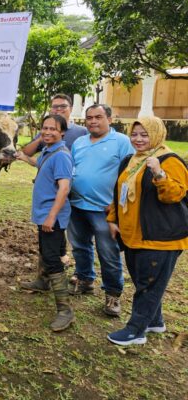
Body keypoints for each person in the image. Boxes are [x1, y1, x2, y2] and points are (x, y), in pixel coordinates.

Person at [106, 117, 188, 346]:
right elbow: (119, 192)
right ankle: (155, 321)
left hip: (160, 238)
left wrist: (159, 174)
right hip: (133, 235)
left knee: (148, 285)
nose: (138, 139)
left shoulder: (170, 160)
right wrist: (113, 219)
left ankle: (136, 330)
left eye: (144, 134)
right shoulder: (131, 160)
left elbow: (175, 195)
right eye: (135, 134)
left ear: (157, 134)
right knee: (146, 282)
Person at [67, 104, 134, 317]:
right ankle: (85, 279)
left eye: (98, 117)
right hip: (76, 205)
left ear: (110, 119)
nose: (93, 121)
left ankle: (113, 294)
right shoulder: (79, 142)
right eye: (89, 118)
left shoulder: (122, 142)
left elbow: (131, 174)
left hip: (105, 210)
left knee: (108, 251)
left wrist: (117, 202)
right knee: (79, 246)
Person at [16, 115, 74, 331]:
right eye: (45, 128)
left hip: (52, 215)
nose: (47, 132)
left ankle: (65, 311)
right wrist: (23, 157)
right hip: (44, 214)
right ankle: (42, 282)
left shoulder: (62, 156)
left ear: (62, 133)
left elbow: (64, 188)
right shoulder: (49, 151)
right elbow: (38, 162)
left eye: (53, 129)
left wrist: (51, 216)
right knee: (47, 250)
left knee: (51, 258)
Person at [20, 94, 87, 156]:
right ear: (51, 110)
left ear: (71, 109)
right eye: (55, 106)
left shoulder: (83, 132)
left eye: (63, 106)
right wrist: (40, 139)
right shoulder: (45, 131)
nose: (59, 109)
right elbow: (26, 153)